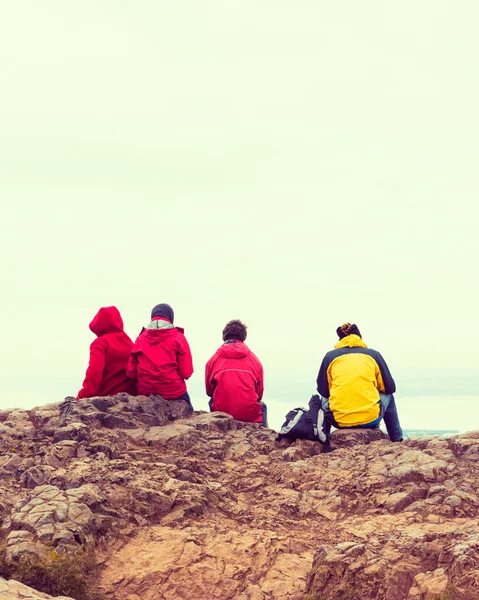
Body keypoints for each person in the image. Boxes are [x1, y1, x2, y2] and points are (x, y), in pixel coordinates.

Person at [316, 323, 403, 441]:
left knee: (323, 398)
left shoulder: (330, 357)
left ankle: (323, 438)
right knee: (388, 396)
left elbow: (323, 390)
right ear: (359, 338)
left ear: (340, 340)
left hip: (339, 421)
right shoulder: (373, 355)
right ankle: (397, 439)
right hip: (371, 420)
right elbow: (389, 387)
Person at [127, 303, 194, 409]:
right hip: (173, 391)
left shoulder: (141, 339)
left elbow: (130, 372)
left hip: (146, 392)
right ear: (170, 317)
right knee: (190, 412)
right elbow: (186, 372)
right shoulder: (178, 337)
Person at [205, 319, 267, 426]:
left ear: (224, 335)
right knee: (262, 406)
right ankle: (265, 432)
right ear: (244, 336)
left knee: (212, 400)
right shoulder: (255, 360)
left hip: (222, 413)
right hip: (249, 414)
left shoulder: (213, 360)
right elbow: (259, 393)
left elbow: (209, 391)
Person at [77, 306, 136, 399]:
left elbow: (94, 372)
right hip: (131, 398)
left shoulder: (101, 343)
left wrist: (82, 396)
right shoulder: (130, 344)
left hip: (107, 399)